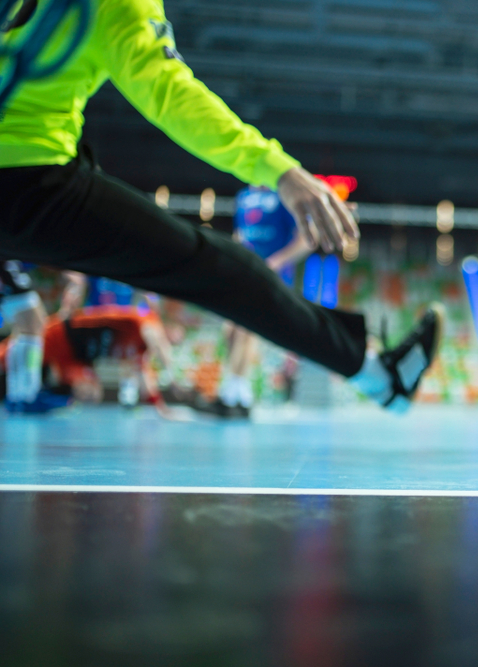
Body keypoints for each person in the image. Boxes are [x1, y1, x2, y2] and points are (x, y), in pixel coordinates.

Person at [0, 0, 442, 414]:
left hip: (30, 183)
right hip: (33, 183)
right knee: (222, 269)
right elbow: (170, 95)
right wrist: (278, 169)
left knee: (25, 310)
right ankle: (379, 377)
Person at [203, 186, 313, 418]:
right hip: (242, 271)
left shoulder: (283, 194)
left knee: (245, 327)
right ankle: (241, 392)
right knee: (231, 330)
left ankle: (231, 392)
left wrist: (278, 261)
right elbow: (240, 234)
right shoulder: (243, 196)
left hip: (269, 276)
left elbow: (306, 240)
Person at [0, 304, 188, 419]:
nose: (174, 340)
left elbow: (144, 378)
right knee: (4, 358)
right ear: (167, 327)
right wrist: (172, 377)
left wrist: (162, 410)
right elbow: (157, 341)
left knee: (92, 394)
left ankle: (42, 397)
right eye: (174, 334)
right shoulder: (146, 320)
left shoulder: (139, 351)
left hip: (76, 358)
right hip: (62, 335)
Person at [0, 261, 71, 412]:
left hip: (8, 275)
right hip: (8, 274)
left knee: (22, 333)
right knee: (33, 331)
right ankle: (29, 395)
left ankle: (16, 395)